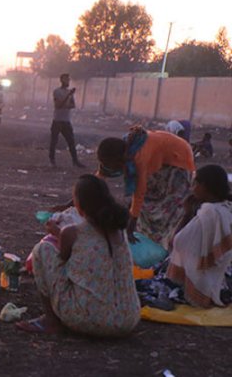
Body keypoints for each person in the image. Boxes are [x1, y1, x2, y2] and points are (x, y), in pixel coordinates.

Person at [17, 175, 140, 336]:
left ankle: (51, 321)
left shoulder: (72, 232)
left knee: (42, 250)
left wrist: (57, 233)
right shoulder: (119, 230)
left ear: (80, 206)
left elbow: (62, 263)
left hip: (89, 320)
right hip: (128, 318)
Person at [97, 127, 195, 249]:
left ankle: (167, 239)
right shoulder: (124, 148)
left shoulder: (140, 158)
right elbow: (101, 173)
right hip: (162, 156)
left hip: (179, 159)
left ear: (120, 159)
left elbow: (139, 192)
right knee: (147, 203)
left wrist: (131, 225)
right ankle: (151, 233)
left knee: (171, 207)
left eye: (112, 165)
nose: (110, 168)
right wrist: (79, 195)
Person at [166, 165, 232, 308]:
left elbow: (176, 241)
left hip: (206, 279)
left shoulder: (209, 214)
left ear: (205, 186)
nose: (192, 188)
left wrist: (186, 214)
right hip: (221, 276)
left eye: (195, 183)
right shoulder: (224, 208)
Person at [50, 73, 84, 168]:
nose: (68, 81)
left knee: (71, 141)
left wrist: (68, 99)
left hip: (66, 120)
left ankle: (75, 161)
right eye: (66, 80)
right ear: (61, 80)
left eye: (69, 80)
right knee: (54, 141)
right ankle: (52, 161)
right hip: (57, 120)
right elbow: (58, 105)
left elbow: (72, 105)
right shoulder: (57, 91)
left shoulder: (69, 92)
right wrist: (68, 96)